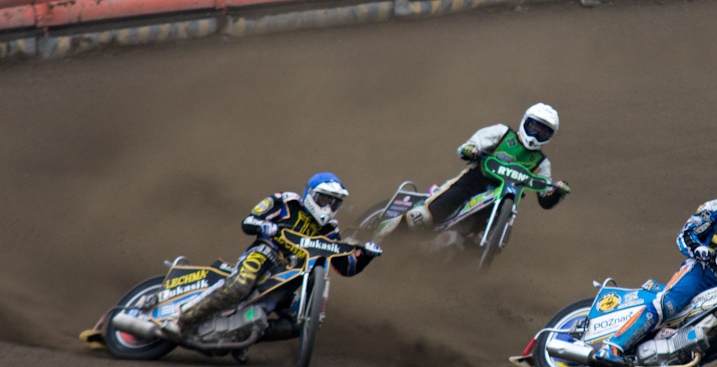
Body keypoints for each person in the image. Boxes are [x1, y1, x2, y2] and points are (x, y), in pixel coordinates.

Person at [161, 172, 382, 340]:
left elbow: (346, 267)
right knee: (240, 285)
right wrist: (266, 226)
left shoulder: (330, 230)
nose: (329, 206)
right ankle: (180, 320)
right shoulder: (285, 202)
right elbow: (248, 222)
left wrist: (366, 255)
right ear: (312, 195)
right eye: (325, 199)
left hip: (290, 276)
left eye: (335, 202)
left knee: (299, 323)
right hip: (264, 254)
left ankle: (242, 335)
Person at [594, 171, 717, 367]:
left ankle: (690, 360)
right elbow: (685, 235)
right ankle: (613, 347)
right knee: (666, 305)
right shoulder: (714, 210)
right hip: (699, 273)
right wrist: (699, 249)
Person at [402, 102, 571, 231]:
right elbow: (470, 145)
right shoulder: (502, 133)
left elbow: (545, 198)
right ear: (525, 122)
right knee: (425, 216)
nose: (536, 135)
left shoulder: (541, 164)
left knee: (473, 246)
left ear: (550, 136)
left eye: (543, 132)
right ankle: (387, 238)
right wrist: (471, 150)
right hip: (473, 181)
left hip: (503, 199)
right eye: (534, 127)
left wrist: (558, 192)